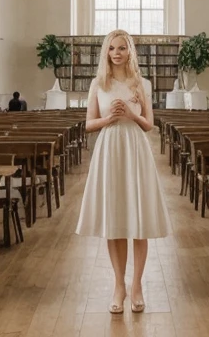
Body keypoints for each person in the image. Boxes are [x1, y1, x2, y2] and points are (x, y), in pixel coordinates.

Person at [75, 29, 171, 314]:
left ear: (130, 52)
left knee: (138, 218)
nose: (117, 53)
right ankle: (119, 284)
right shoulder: (98, 84)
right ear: (106, 52)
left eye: (122, 48)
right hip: (110, 147)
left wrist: (130, 114)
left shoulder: (141, 83)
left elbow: (149, 124)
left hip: (135, 148)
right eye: (112, 48)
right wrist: (109, 118)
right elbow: (88, 124)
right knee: (114, 218)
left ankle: (137, 284)